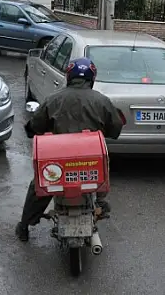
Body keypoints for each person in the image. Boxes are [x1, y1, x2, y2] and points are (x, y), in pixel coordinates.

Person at [16, 57, 124, 242]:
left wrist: (32, 130)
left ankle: (25, 226)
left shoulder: (54, 99)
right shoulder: (102, 100)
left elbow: (35, 126)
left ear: (69, 76)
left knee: (40, 187)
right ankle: (99, 202)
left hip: (59, 160)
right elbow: (115, 129)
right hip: (89, 162)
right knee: (102, 174)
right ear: (92, 78)